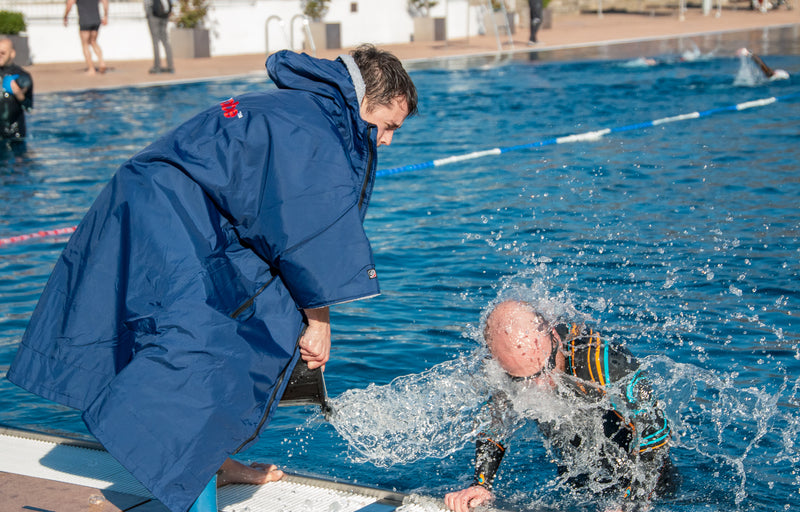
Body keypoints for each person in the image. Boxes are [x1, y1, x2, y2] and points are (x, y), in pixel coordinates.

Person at [8, 44, 417, 512]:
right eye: (387, 127)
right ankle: (197, 487)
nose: (385, 142)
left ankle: (216, 464)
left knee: (226, 326)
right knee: (206, 350)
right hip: (173, 218)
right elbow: (307, 232)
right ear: (367, 97)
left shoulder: (301, 106)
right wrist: (319, 322)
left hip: (146, 204)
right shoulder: (316, 131)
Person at [444, 300, 674, 512]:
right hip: (578, 480)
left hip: (646, 482)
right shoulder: (510, 365)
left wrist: (632, 502)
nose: (539, 386)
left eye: (544, 370)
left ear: (553, 337)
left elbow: (656, 433)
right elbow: (497, 421)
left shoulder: (605, 361)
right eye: (522, 379)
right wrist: (481, 485)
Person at [0, 38, 33, 142]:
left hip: (16, 134)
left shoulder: (22, 77)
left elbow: (29, 108)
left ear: (12, 53)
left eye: (3, 53)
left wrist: (18, 94)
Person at [63, 0, 109, 75]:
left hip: (85, 20)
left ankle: (91, 69)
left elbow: (70, 3)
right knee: (93, 42)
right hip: (96, 19)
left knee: (85, 44)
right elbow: (105, 2)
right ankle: (102, 63)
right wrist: (105, 16)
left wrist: (65, 16)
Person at [144, 0, 174, 73]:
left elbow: (147, 3)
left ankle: (157, 66)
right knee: (166, 41)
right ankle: (170, 66)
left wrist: (148, 14)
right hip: (164, 15)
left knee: (155, 42)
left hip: (154, 16)